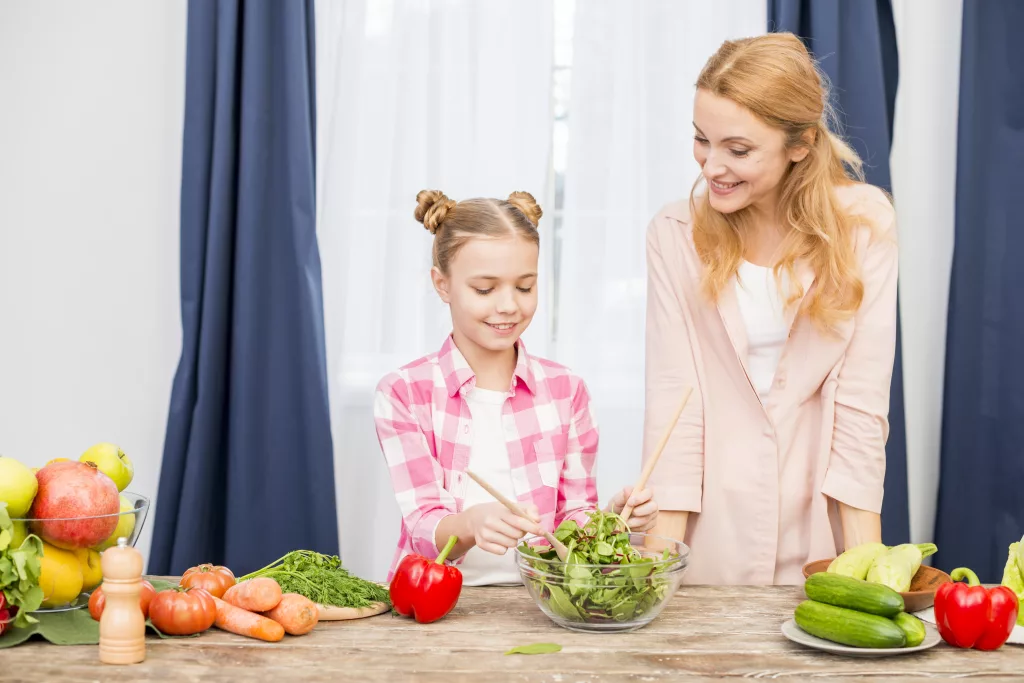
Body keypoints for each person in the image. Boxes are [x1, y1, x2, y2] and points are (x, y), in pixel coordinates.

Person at [642, 33, 898, 585]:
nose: (712, 167)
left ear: (800, 143)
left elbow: (861, 406)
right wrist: (655, 576)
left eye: (738, 150)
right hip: (709, 523)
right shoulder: (674, 233)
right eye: (700, 140)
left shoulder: (864, 227)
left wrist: (868, 575)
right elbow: (675, 404)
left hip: (819, 520)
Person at [375, 189, 659, 586]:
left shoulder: (567, 390)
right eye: (485, 289)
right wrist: (471, 524)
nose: (508, 305)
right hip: (433, 602)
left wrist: (614, 519)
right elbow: (424, 525)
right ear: (442, 285)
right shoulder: (404, 393)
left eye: (524, 287)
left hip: (540, 601)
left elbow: (573, 517)